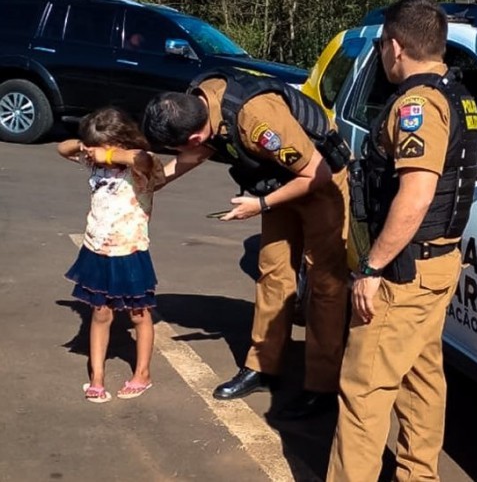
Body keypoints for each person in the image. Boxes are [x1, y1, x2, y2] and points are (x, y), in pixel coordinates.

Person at [327, 0, 477, 481]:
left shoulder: (417, 105)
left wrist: (372, 267)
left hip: (403, 271)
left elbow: (415, 196)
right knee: (421, 376)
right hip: (435, 266)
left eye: (381, 48)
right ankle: (418, 474)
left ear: (395, 46)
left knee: (364, 390)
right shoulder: (458, 95)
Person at [141, 67, 350, 419]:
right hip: (278, 181)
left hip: (321, 182)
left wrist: (260, 205)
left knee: (324, 285)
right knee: (273, 274)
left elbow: (316, 174)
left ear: (194, 135)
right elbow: (195, 154)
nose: (178, 152)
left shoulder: (257, 120)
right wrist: (146, 185)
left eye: (177, 146)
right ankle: (263, 367)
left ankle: (323, 385)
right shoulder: (198, 101)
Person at [59, 107, 166, 404]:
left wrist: (107, 154)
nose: (96, 154)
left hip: (129, 250)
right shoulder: (94, 161)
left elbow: (141, 158)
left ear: (121, 140)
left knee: (138, 314)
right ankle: (97, 377)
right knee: (100, 313)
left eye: (103, 147)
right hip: (97, 249)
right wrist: (84, 147)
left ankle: (142, 373)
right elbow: (62, 149)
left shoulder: (140, 166)